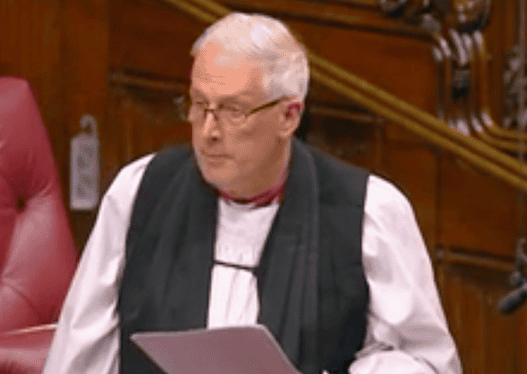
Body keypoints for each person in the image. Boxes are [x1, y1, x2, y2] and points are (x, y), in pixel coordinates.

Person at [43, 12, 461, 374]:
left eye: (233, 111)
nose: (208, 132)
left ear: (289, 115)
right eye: (198, 105)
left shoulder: (367, 212)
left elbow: (422, 360)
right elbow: (81, 353)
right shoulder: (140, 192)